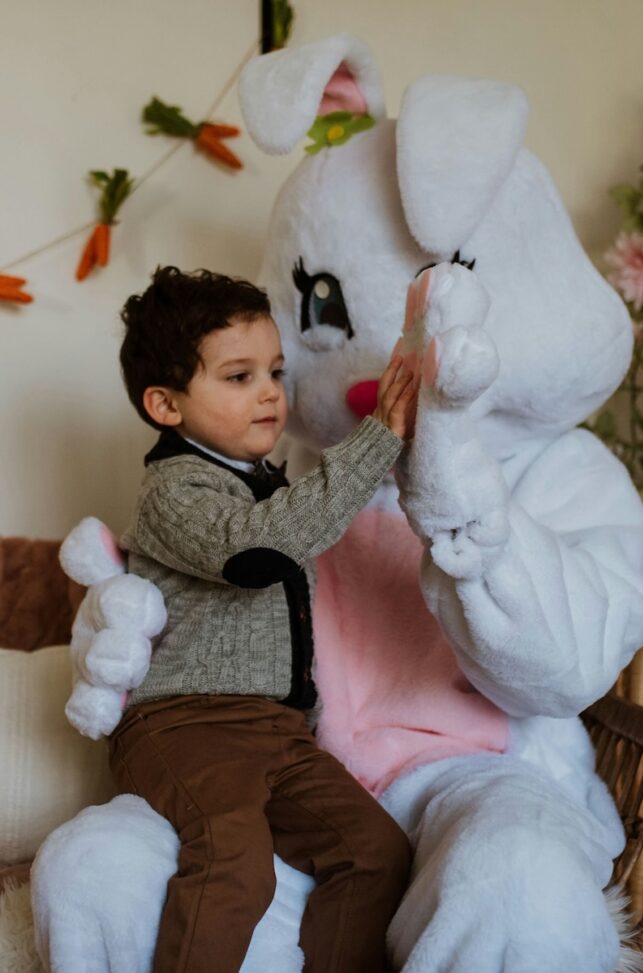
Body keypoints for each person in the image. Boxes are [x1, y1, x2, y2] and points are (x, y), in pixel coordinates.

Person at [109, 265, 416, 973]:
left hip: (278, 730)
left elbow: (293, 521)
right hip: (185, 724)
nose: (272, 391)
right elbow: (252, 552)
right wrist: (375, 442)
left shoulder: (267, 483)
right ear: (165, 404)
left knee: (374, 852)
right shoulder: (173, 489)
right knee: (235, 860)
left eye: (275, 369)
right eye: (239, 376)